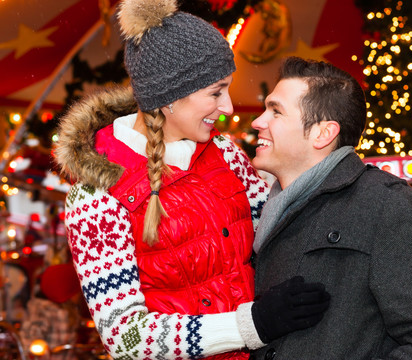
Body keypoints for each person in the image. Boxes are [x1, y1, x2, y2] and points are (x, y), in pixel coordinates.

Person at [54, 0, 330, 359]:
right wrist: (251, 325)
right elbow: (124, 337)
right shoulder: (95, 197)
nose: (229, 107)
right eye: (215, 92)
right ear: (169, 97)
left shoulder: (226, 154)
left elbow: (277, 240)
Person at [249, 56, 412, 359]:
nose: (257, 122)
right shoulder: (264, 207)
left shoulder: (384, 204)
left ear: (322, 133)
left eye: (275, 111)